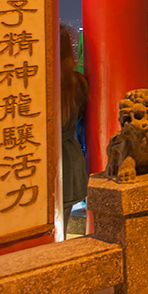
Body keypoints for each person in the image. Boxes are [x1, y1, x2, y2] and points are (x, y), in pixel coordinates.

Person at [60, 25, 89, 235]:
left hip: (42, 158)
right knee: (62, 224)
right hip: (70, 158)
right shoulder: (77, 83)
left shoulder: (36, 84)